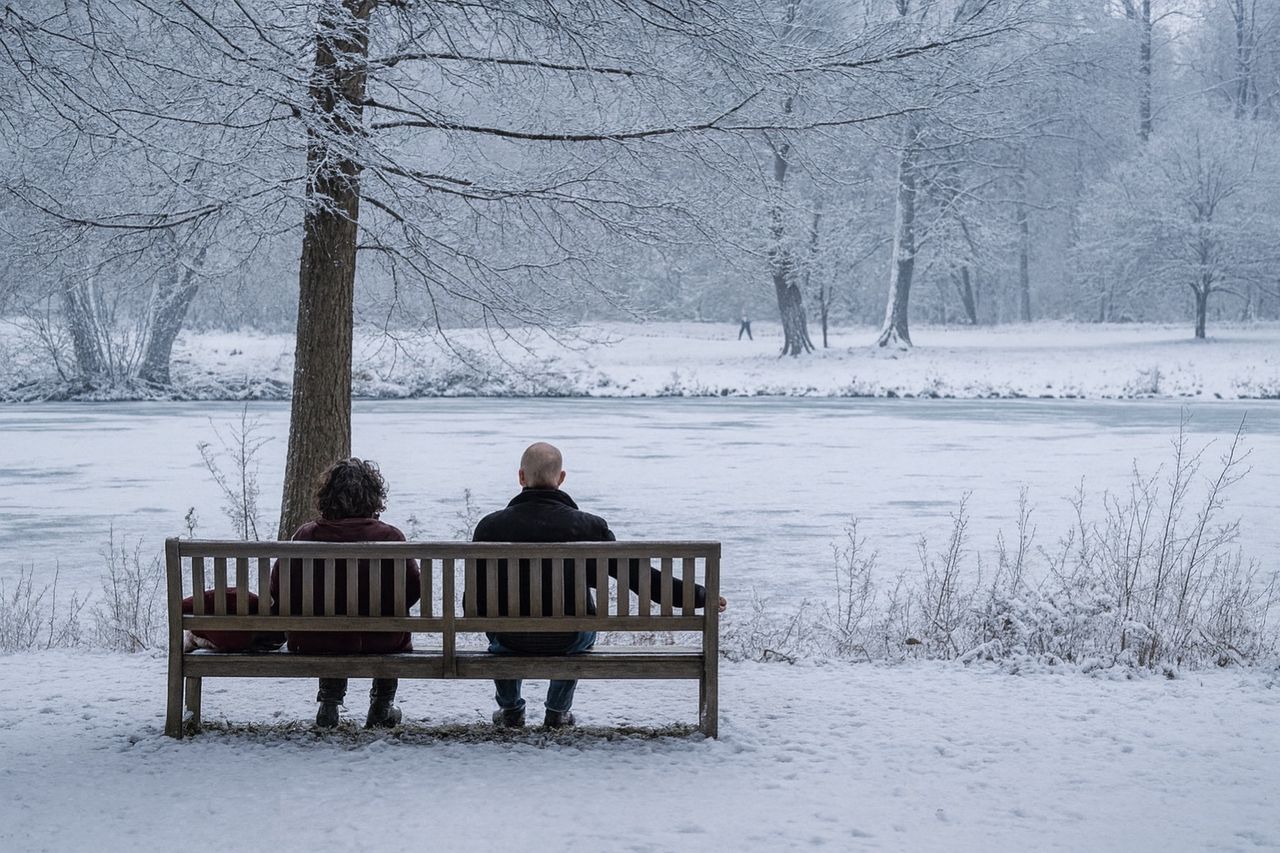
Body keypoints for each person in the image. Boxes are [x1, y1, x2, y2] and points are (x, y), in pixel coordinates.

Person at [471, 442, 727, 729]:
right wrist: (699, 596)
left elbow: (475, 599)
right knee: (577, 622)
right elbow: (637, 576)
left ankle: (510, 710)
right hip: (569, 639)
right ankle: (557, 711)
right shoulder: (589, 527)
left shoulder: (488, 527)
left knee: (498, 628)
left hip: (508, 640)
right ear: (561, 478)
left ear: (521, 477)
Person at [270, 458, 421, 729]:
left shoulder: (306, 535)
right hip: (383, 640)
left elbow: (279, 591)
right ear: (373, 496)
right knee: (390, 627)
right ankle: (382, 705)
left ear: (326, 496)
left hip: (316, 640)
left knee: (331, 629)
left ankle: (329, 702)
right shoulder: (391, 538)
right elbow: (412, 592)